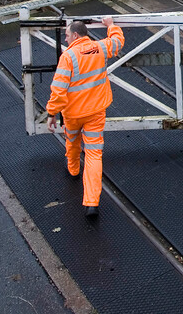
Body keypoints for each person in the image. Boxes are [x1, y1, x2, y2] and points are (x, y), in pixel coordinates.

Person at [46, 17, 124, 217]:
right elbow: (117, 41)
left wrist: (52, 112)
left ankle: (72, 170)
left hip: (73, 114)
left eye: (66, 36)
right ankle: (91, 202)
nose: (65, 40)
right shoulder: (100, 48)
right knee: (94, 154)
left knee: (72, 141)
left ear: (75, 35)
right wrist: (110, 25)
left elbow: (59, 88)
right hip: (96, 113)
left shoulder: (68, 56)